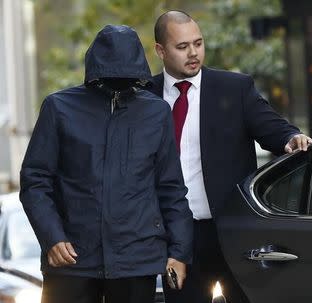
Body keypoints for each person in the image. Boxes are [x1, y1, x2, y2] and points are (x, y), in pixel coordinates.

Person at [19, 24, 193, 303]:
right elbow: (35, 181)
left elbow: (171, 188)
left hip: (137, 259)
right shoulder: (59, 107)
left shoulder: (156, 112)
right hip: (71, 259)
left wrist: (180, 252)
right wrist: (51, 237)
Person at [151, 10, 312, 303]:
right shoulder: (145, 96)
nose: (193, 53)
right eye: (182, 46)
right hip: (176, 238)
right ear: (160, 50)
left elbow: (273, 128)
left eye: (198, 43)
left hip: (232, 232)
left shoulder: (234, 88)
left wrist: (291, 138)